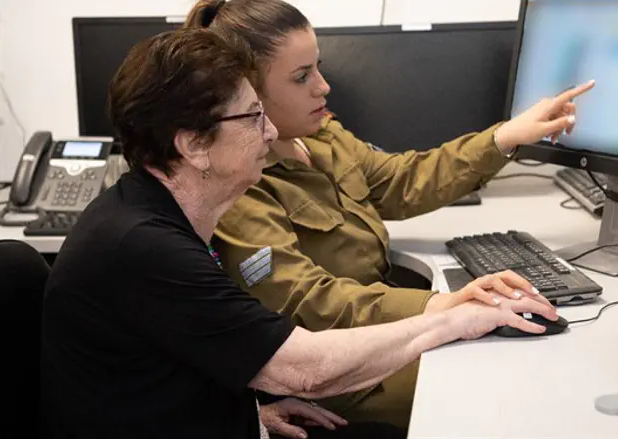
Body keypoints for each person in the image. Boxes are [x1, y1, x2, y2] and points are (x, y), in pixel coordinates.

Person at [39, 28, 562, 439]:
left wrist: (251, 414)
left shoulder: (153, 212)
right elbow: (306, 372)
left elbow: (165, 369)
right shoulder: (144, 247)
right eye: (252, 117)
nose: (270, 132)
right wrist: (453, 319)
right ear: (194, 145)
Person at [183, 0, 595, 428]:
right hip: (343, 371)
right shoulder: (241, 184)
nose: (323, 87)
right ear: (246, 91)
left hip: (386, 331)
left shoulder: (318, 136)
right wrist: (441, 306)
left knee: (523, 356)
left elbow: (400, 180)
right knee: (497, 383)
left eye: (318, 68)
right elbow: (307, 302)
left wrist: (504, 137)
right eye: (301, 77)